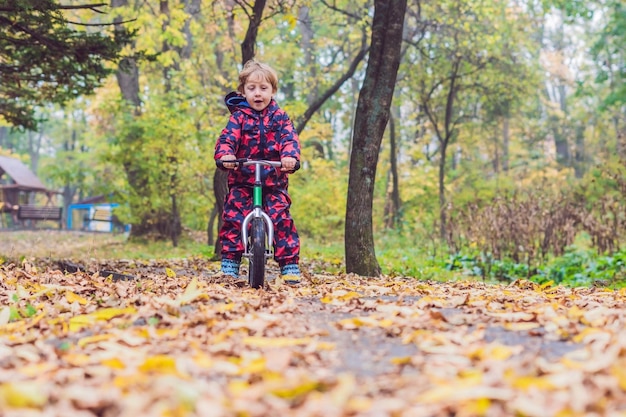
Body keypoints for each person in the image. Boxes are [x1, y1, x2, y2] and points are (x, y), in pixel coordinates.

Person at [214, 59, 302, 284]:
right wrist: (226, 155)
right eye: (251, 88)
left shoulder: (280, 117)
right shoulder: (239, 118)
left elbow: (288, 138)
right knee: (234, 218)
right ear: (243, 91)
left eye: (263, 88)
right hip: (243, 180)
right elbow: (228, 138)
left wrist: (289, 157)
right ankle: (230, 264)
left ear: (273, 91)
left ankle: (289, 264)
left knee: (281, 218)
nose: (258, 94)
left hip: (273, 181)